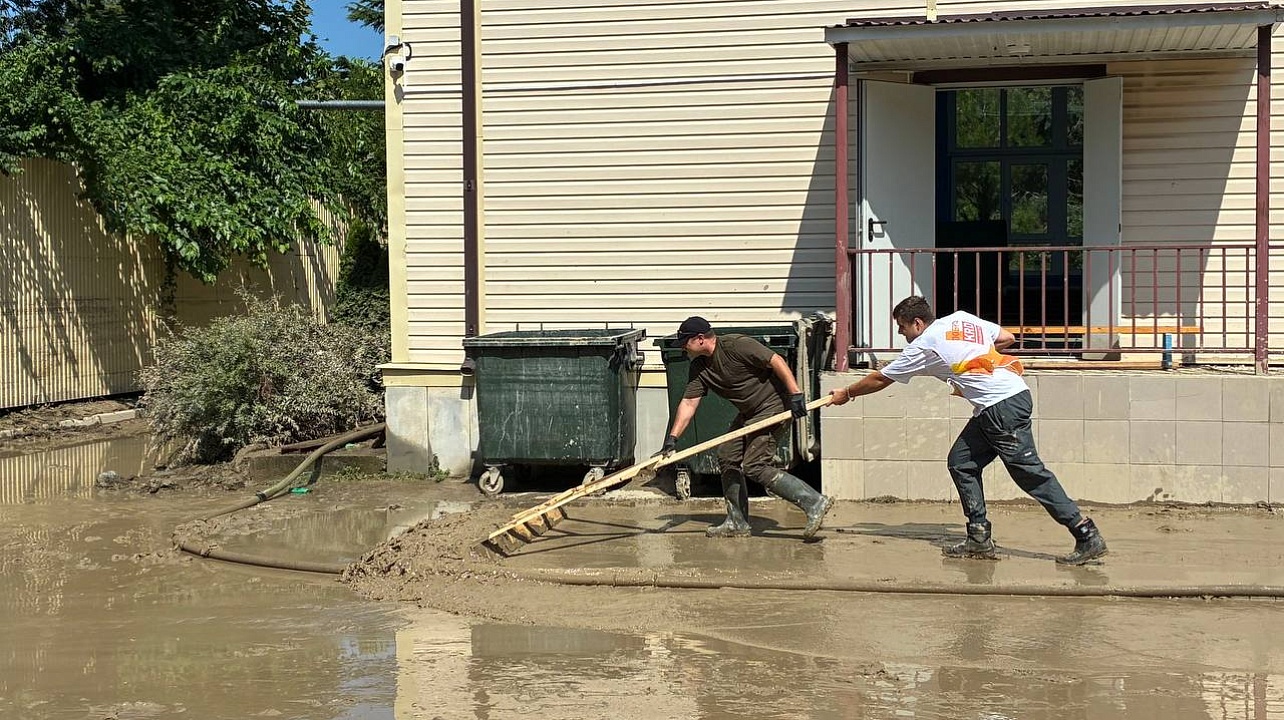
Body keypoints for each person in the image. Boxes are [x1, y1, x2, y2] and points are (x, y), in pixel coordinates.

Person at [829, 296, 1108, 565]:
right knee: (962, 462)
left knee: (1029, 473)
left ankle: (1085, 532)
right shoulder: (960, 320)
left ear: (917, 323)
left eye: (902, 328)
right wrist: (972, 361)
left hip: (1000, 406)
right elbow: (1007, 338)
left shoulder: (924, 345)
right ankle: (978, 536)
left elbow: (881, 378)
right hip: (1004, 400)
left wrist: (847, 393)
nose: (902, 334)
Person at [661, 316, 833, 539]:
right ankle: (737, 522)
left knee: (754, 465)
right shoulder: (699, 367)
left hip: (774, 406)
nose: (683, 348)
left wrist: (796, 394)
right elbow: (689, 402)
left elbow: (776, 360)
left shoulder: (736, 345)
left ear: (700, 339)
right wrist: (672, 438)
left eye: (685, 342)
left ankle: (814, 502)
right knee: (727, 456)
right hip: (749, 413)